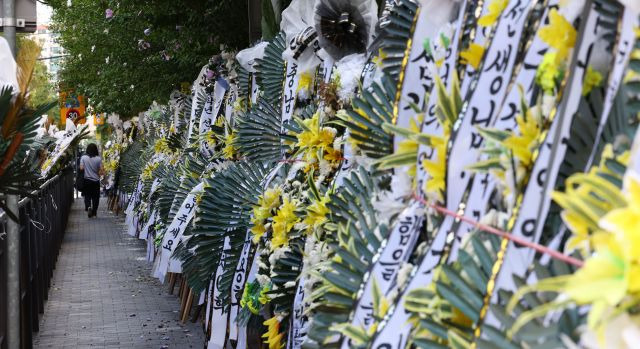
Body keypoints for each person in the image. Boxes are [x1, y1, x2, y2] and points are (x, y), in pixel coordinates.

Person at [80, 143, 104, 218]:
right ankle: (94, 213)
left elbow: (81, 168)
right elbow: (101, 171)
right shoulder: (98, 159)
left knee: (87, 195)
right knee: (95, 197)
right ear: (95, 150)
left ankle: (88, 207)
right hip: (96, 181)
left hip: (86, 180)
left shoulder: (83, 158)